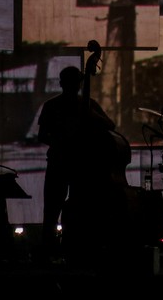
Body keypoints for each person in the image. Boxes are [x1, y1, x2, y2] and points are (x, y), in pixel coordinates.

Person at [36, 64, 116, 260]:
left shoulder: (86, 105)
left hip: (74, 163)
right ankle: (56, 249)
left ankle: (64, 249)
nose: (75, 86)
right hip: (64, 161)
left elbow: (109, 126)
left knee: (58, 209)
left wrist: (91, 115)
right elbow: (43, 135)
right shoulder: (53, 106)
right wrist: (63, 142)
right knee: (55, 208)